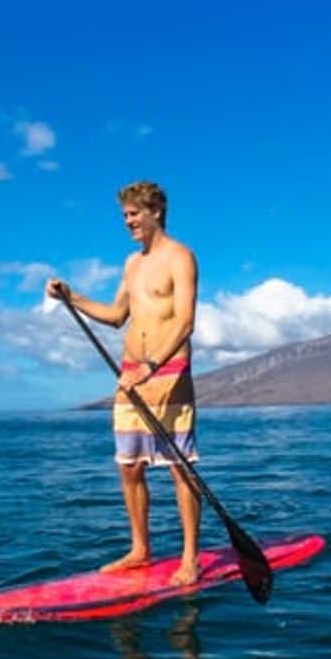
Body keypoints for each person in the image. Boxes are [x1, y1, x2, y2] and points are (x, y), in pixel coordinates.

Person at [46, 181, 201, 584]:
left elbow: (184, 322)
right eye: (125, 215)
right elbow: (116, 315)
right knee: (129, 467)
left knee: (179, 468)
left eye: (134, 213)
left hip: (167, 374)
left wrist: (151, 365)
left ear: (156, 212)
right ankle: (140, 549)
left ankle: (190, 559)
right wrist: (72, 297)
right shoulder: (132, 265)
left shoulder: (180, 257)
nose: (128, 221)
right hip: (130, 376)